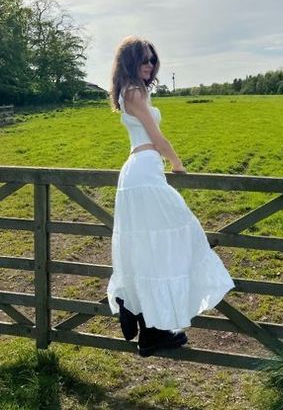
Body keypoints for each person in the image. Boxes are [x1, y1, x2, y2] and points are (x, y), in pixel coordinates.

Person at [106, 36, 235, 357]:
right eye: (143, 59)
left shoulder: (131, 90)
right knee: (179, 230)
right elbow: (155, 134)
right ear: (129, 62)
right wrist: (177, 163)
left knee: (150, 243)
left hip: (140, 171)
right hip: (144, 171)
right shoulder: (134, 92)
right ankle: (138, 312)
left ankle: (143, 319)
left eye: (152, 59)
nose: (150, 64)